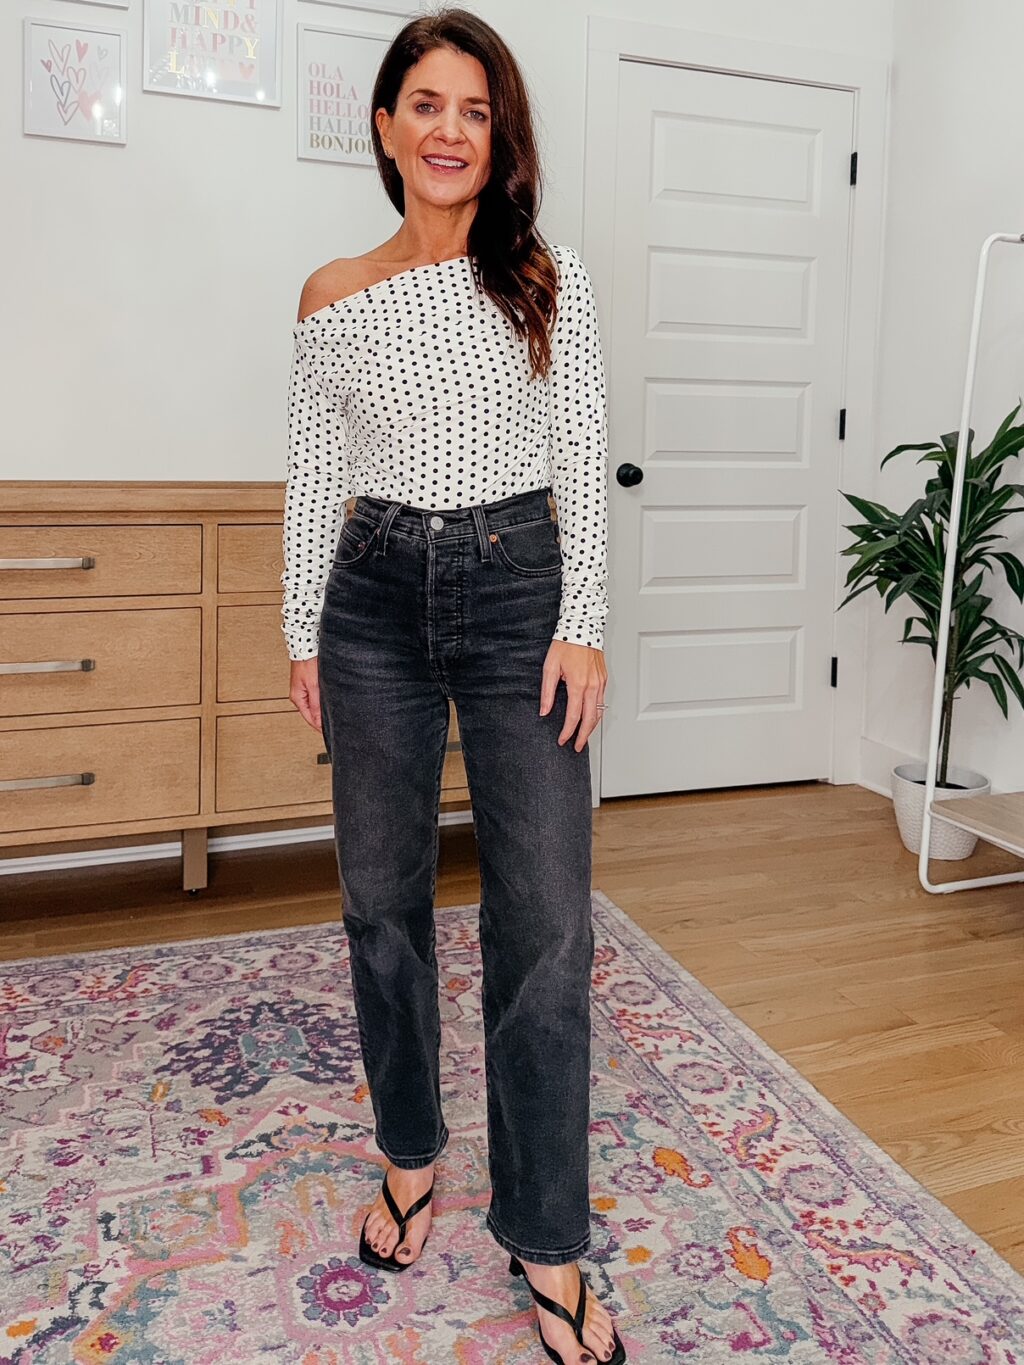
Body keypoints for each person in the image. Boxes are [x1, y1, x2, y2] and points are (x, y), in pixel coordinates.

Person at [281, 10, 622, 1364]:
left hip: (520, 590)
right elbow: (313, 476)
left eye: (475, 110)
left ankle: (546, 1235)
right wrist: (301, 633)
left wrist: (582, 621)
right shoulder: (331, 293)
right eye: (425, 104)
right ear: (384, 127)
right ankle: (410, 1152)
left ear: (499, 137)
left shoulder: (544, 277)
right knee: (382, 901)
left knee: (545, 924)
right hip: (371, 599)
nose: (448, 130)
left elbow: (582, 445)